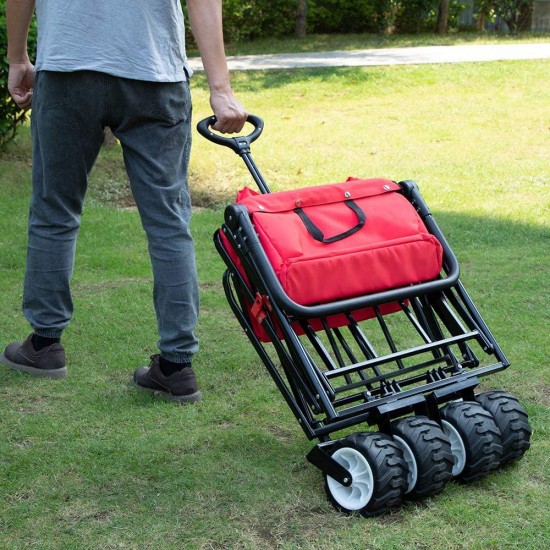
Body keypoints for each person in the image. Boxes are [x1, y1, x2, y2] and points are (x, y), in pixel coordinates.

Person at [1, 0, 247, 403]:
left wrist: (17, 57)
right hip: (154, 72)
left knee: (54, 213)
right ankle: (176, 367)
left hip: (68, 68)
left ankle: (43, 347)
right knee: (169, 222)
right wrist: (220, 89)